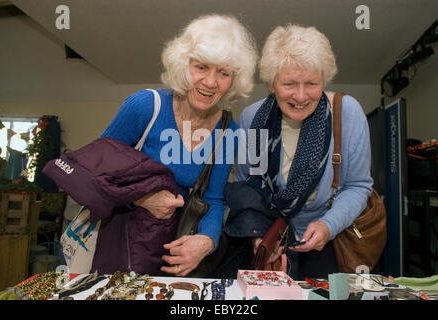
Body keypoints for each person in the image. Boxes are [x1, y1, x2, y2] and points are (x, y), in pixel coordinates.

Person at [100, 14, 257, 276]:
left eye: (224, 73)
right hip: (124, 247)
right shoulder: (144, 107)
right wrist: (140, 198)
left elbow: (213, 198)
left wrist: (207, 241)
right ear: (184, 66)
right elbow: (97, 172)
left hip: (178, 257)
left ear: (234, 80)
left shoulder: (229, 129)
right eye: (202, 67)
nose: (210, 82)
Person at [221, 23, 373, 280]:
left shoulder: (347, 113)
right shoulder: (252, 118)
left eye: (312, 83)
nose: (301, 96)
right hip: (269, 234)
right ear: (271, 84)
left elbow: (358, 185)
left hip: (328, 238)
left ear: (323, 81)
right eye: (289, 84)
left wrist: (328, 225)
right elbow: (247, 186)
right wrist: (259, 235)